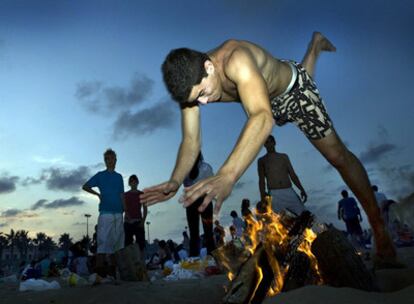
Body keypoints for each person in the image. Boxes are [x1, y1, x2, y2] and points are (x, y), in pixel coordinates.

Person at [141, 32, 396, 264]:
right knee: (266, 96)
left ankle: (379, 231)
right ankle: (314, 46)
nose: (204, 102)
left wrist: (228, 174)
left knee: (337, 155)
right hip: (262, 98)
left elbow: (262, 117)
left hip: (293, 92)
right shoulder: (191, 82)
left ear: (209, 67)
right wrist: (175, 181)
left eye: (203, 93)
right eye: (197, 99)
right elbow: (191, 141)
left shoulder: (235, 59)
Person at [82, 148, 125, 277]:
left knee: (116, 245)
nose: (109, 161)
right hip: (105, 214)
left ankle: (113, 273)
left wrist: (125, 210)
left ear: (115, 160)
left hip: (118, 213)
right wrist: (97, 194)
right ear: (105, 161)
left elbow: (122, 194)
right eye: (107, 159)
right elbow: (85, 186)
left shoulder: (119, 177)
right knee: (103, 243)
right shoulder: (100, 175)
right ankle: (99, 275)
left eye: (111, 158)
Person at [258, 135, 307, 215]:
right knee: (281, 221)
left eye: (271, 141)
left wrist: (302, 189)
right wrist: (262, 197)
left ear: (274, 143)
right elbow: (261, 181)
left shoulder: (283, 157)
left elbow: (293, 175)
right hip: (274, 195)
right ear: (264, 145)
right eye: (266, 142)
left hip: (288, 191)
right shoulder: (262, 160)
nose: (269, 144)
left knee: (304, 215)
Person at [182, 152, 216, 256]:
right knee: (203, 232)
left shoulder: (189, 168)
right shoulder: (203, 167)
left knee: (199, 233)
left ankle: (199, 258)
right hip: (199, 201)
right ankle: (206, 257)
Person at [122, 174, 147, 251]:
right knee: (127, 245)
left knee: (141, 245)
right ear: (129, 183)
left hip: (138, 222)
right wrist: (128, 218)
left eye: (135, 181)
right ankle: (129, 262)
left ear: (137, 182)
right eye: (132, 181)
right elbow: (124, 208)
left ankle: (141, 262)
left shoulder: (142, 194)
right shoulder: (125, 195)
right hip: (128, 222)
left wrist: (143, 221)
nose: (133, 183)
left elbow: (145, 209)